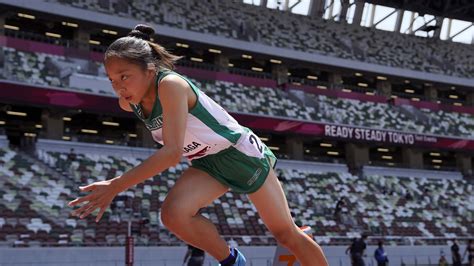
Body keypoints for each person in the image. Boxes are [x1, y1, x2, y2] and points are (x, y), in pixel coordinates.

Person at [67, 24, 328, 266]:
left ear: (149, 70)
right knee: (173, 214)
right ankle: (233, 262)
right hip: (206, 162)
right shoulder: (129, 102)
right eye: (112, 79)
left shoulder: (170, 84)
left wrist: (115, 186)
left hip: (239, 154)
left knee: (285, 234)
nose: (118, 87)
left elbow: (171, 154)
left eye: (124, 76)